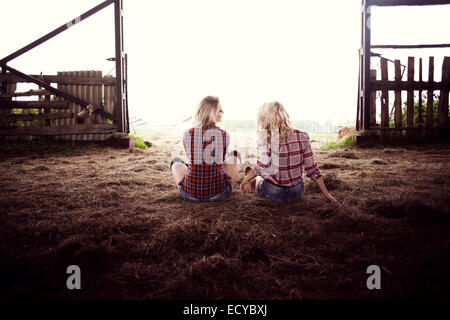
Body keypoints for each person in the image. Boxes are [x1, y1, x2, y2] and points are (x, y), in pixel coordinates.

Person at [240, 101, 339, 205]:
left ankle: (252, 181)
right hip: (296, 192)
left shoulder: (266, 138)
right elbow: (312, 170)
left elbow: (261, 166)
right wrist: (326, 194)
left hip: (273, 193)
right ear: (285, 115)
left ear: (264, 119)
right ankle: (252, 179)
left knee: (260, 176)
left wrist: (245, 180)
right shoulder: (303, 136)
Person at [170, 96, 241, 202]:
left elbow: (191, 159)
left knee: (176, 162)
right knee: (235, 155)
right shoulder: (224, 135)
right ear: (212, 112)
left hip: (190, 195)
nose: (223, 112)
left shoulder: (187, 134)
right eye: (220, 110)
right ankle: (223, 186)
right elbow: (220, 163)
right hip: (219, 194)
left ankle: (187, 187)